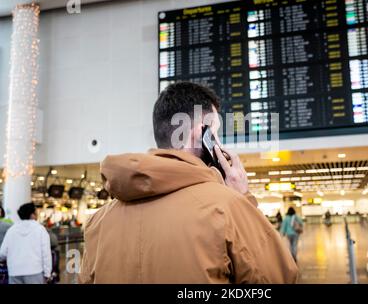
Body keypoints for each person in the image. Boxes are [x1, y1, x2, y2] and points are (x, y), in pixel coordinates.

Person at [79, 81, 298, 283]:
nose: (218, 142)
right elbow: (279, 278)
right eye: (215, 132)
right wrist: (244, 198)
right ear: (200, 133)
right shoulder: (227, 207)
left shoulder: (97, 223)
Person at [0, 202, 52, 284]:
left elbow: (2, 253)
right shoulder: (40, 230)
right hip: (34, 271)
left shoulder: (12, 230)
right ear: (32, 215)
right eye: (36, 212)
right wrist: (47, 273)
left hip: (14, 272)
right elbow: (46, 253)